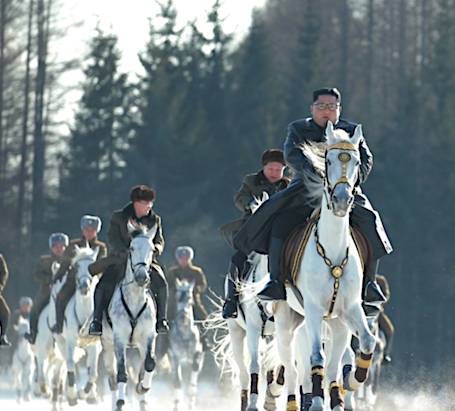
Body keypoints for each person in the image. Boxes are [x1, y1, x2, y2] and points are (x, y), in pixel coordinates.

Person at [233, 88, 393, 313]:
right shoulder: (298, 128)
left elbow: (365, 159)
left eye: (331, 107)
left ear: (339, 109)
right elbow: (292, 155)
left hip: (344, 189)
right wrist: (318, 173)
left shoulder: (352, 130)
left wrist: (353, 180)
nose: (326, 111)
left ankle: (369, 285)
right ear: (312, 109)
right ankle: (276, 282)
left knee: (369, 219)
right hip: (305, 189)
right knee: (279, 220)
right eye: (321, 106)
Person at [219, 149, 291, 318]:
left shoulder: (288, 185)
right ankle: (231, 301)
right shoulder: (251, 180)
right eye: (271, 169)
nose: (274, 173)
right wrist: (250, 204)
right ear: (263, 167)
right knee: (238, 259)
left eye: (278, 170)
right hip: (254, 231)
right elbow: (240, 197)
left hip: (280, 234)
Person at [88, 185, 168, 335]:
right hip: (120, 259)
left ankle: (161, 319)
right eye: (146, 203)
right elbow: (112, 238)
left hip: (145, 260)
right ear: (136, 204)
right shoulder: (118, 217)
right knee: (103, 283)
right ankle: (97, 321)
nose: (150, 206)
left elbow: (160, 241)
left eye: (151, 203)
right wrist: (124, 253)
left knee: (161, 282)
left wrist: (155, 250)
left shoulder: (155, 219)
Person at [50, 215, 108, 334]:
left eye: (92, 230)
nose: (89, 232)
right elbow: (65, 263)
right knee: (60, 298)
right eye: (87, 229)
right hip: (73, 281)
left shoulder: (101, 247)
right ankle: (59, 324)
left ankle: (104, 325)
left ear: (97, 231)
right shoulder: (72, 245)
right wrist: (58, 276)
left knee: (107, 299)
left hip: (93, 281)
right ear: (82, 230)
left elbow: (102, 264)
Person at [27, 233, 69, 343]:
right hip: (47, 291)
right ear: (51, 248)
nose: (59, 249)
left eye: (61, 246)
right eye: (56, 246)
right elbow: (37, 274)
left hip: (65, 290)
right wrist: (48, 279)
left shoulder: (69, 261)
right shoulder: (45, 260)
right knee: (35, 309)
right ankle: (33, 333)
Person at [166, 246, 208, 324]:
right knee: (167, 316)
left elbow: (203, 285)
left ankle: (205, 331)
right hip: (175, 299)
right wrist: (173, 290)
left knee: (202, 315)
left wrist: (196, 289)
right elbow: (167, 284)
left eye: (186, 258)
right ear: (178, 259)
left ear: (190, 258)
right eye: (181, 258)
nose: (184, 260)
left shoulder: (197, 272)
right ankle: (164, 333)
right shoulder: (172, 272)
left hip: (193, 298)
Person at [375, 274, 396, 363]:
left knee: (389, 329)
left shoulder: (380, 280)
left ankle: (385, 353)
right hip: (361, 310)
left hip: (377, 311)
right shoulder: (361, 277)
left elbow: (386, 295)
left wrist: (378, 303)